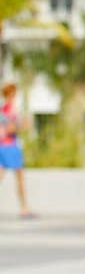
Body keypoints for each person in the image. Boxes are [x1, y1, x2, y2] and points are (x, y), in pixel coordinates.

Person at [0, 82, 32, 219]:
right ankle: (24, 209)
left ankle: (24, 208)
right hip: (9, 146)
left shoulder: (4, 109)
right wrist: (23, 125)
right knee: (19, 179)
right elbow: (8, 129)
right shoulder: (8, 110)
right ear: (10, 94)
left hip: (6, 146)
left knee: (15, 177)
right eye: (13, 93)